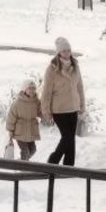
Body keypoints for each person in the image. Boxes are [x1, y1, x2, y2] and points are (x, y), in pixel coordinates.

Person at [40, 37, 85, 166]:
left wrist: (82, 105)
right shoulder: (52, 68)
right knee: (67, 137)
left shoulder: (75, 65)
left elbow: (80, 87)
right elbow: (46, 91)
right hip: (59, 109)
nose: (67, 53)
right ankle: (53, 161)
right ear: (58, 52)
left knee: (71, 140)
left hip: (73, 107)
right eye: (64, 50)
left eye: (68, 50)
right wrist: (46, 110)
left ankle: (68, 166)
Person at [5, 80, 42, 161]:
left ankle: (21, 162)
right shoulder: (17, 103)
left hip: (31, 131)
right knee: (25, 151)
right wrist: (10, 130)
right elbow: (11, 117)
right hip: (20, 132)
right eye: (30, 88)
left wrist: (47, 116)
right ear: (24, 90)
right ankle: (24, 167)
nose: (32, 90)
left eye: (33, 88)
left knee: (33, 150)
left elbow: (40, 112)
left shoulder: (36, 102)